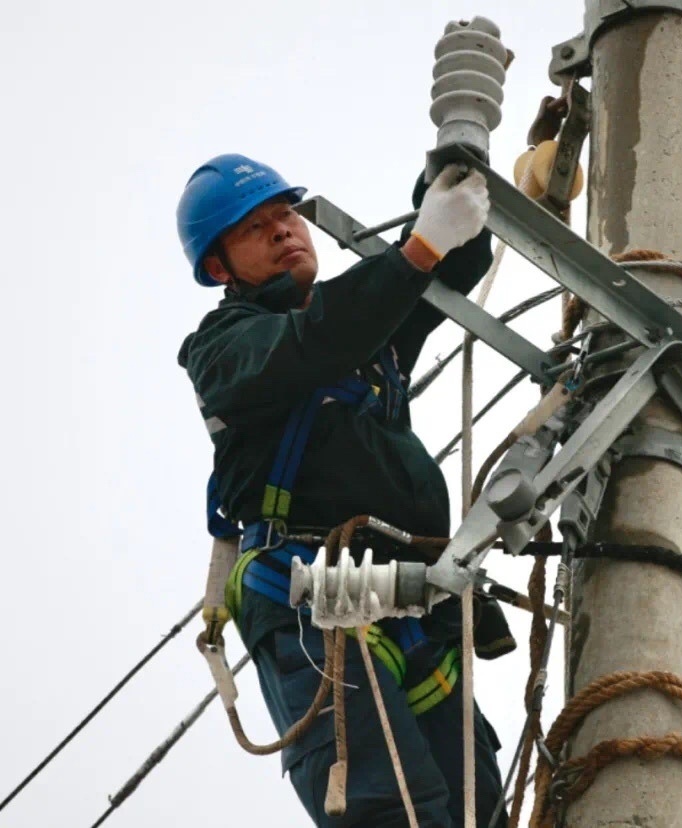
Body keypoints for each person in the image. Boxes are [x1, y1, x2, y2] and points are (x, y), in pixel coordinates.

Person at [176, 153, 512, 827]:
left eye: (287, 214)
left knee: (480, 812)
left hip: (411, 604)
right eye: (255, 228)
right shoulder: (222, 348)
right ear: (219, 268)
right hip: (308, 598)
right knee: (387, 813)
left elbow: (447, 271)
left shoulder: (368, 334)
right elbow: (316, 340)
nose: (283, 231)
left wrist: (449, 183)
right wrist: (418, 246)